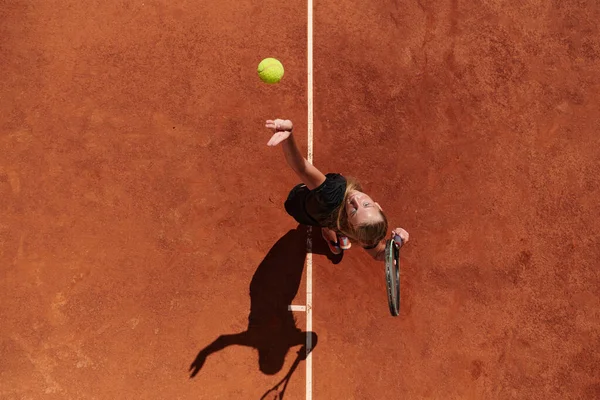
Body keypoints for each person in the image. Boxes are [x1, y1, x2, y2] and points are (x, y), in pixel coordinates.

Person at [265, 118, 409, 260]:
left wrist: (288, 138)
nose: (355, 200)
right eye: (366, 204)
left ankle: (328, 234)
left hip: (299, 205)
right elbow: (379, 254)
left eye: (354, 211)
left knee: (324, 219)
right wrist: (397, 244)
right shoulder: (364, 231)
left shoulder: (333, 192)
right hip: (328, 218)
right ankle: (332, 234)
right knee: (331, 224)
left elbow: (301, 168)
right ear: (378, 207)